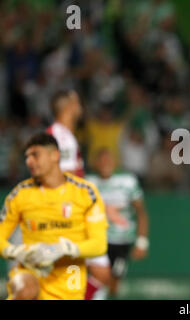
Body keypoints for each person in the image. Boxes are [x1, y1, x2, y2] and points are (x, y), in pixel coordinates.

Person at [0, 133, 108, 299]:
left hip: (70, 276)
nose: (29, 161)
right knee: (25, 289)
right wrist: (17, 252)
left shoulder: (85, 192)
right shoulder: (20, 194)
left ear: (55, 155)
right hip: (32, 272)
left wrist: (65, 249)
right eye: (27, 156)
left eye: (35, 155)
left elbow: (99, 245)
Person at [46, 89, 111, 299]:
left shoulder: (66, 136)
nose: (80, 105)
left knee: (99, 273)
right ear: (69, 107)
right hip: (67, 216)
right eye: (76, 101)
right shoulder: (60, 137)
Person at [85, 149, 149, 298]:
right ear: (95, 164)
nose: (105, 164)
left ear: (115, 162)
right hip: (99, 240)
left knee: (114, 284)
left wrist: (142, 242)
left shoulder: (127, 182)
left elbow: (141, 212)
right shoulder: (88, 183)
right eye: (101, 160)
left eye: (108, 160)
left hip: (122, 242)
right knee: (99, 277)